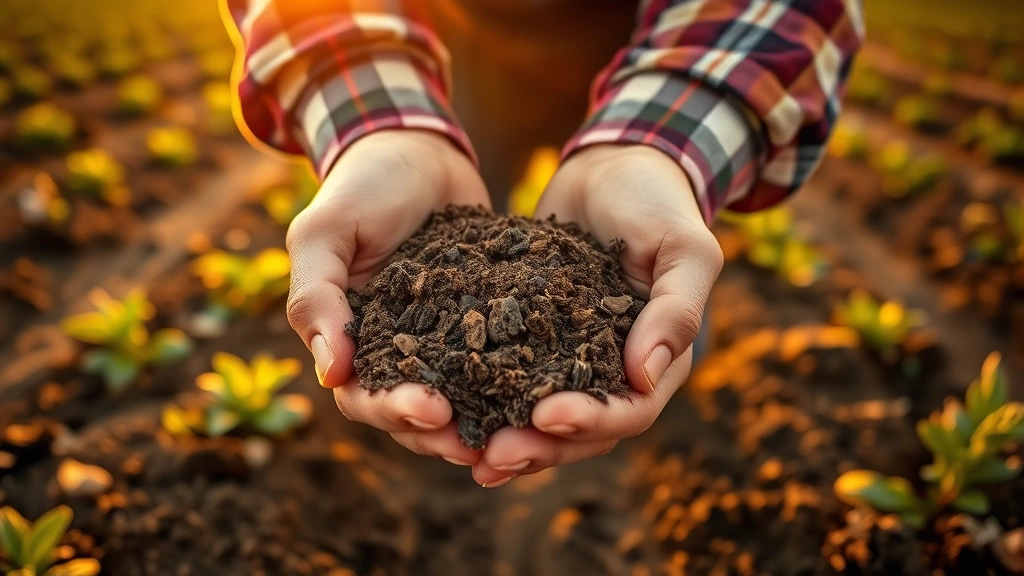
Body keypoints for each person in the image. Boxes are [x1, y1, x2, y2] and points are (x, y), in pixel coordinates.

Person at [221, 0, 864, 488]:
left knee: (662, 316)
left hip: (659, 38)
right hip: (459, 32)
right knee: (433, 217)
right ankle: (447, 472)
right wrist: (378, 127)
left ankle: (640, 465)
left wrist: (657, 150)